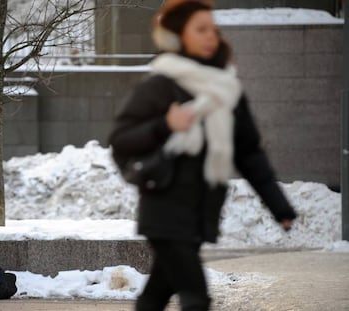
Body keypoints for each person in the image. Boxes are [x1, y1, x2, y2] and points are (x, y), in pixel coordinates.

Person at [109, 0, 297, 310]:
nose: (212, 36)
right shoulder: (161, 85)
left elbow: (249, 153)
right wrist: (164, 125)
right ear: (176, 36)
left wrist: (280, 207)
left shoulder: (227, 90)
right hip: (164, 210)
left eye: (214, 29)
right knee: (197, 297)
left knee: (157, 292)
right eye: (201, 29)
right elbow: (120, 139)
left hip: (201, 211)